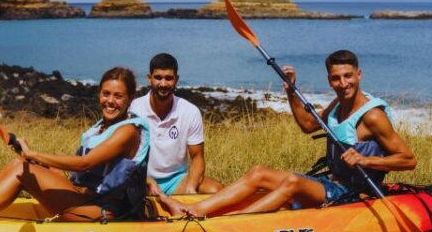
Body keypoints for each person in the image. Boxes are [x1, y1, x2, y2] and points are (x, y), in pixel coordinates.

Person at [163, 49, 417, 217]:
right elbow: (308, 125)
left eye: (348, 76)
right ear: (329, 80)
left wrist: (365, 160)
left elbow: (408, 159)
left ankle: (232, 220)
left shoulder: (372, 116)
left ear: (359, 75)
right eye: (336, 78)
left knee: (294, 182)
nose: (343, 84)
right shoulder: (338, 105)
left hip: (354, 194)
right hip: (332, 185)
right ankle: (194, 209)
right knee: (259, 173)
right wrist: (290, 90)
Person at [0, 67, 151, 221]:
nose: (110, 101)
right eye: (106, 94)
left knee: (23, 171)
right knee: (19, 164)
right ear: (99, 93)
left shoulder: (128, 131)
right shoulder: (100, 127)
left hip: (101, 209)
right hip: (82, 196)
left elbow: (85, 163)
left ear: (131, 98)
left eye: (118, 96)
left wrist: (36, 155)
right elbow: (86, 174)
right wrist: (39, 161)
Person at [129, 53, 222, 197]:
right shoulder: (134, 109)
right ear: (149, 78)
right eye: (158, 77)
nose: (163, 84)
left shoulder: (190, 111)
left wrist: (190, 189)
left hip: (176, 181)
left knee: (216, 190)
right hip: (142, 180)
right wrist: (144, 181)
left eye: (169, 78)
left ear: (176, 79)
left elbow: (197, 157)